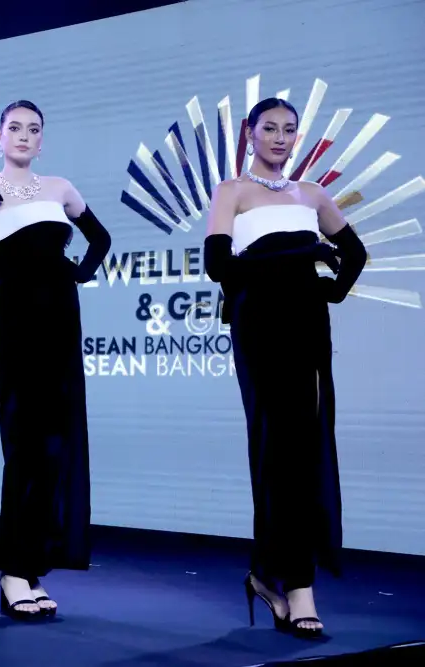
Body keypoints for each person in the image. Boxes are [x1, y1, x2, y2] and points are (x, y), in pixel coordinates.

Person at [204, 97, 367, 638]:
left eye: (289, 129)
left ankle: (290, 584)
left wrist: (331, 290)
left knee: (304, 454)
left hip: (307, 329)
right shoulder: (231, 192)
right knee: (275, 455)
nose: (279, 137)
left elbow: (354, 253)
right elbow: (219, 266)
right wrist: (304, 255)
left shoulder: (312, 194)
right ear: (249, 133)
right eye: (269, 128)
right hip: (259, 327)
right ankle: (283, 581)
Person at [0, 100, 111, 621]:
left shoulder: (60, 188)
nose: (24, 135)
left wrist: (77, 273)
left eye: (33, 129)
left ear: (41, 140)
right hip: (14, 321)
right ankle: (12, 572)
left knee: (53, 443)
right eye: (15, 128)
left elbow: (101, 239)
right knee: (23, 443)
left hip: (60, 320)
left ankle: (30, 569)